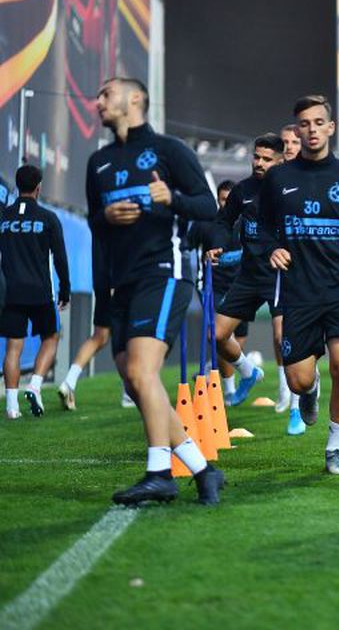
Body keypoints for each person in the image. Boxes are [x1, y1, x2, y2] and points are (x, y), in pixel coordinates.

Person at [86, 77, 223, 505]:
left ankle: (159, 473)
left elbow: (209, 207)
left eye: (106, 94)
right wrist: (106, 217)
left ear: (136, 98)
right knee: (134, 381)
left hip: (164, 272)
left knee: (143, 372)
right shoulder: (99, 162)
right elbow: (95, 226)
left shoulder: (169, 150)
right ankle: (204, 470)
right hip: (121, 282)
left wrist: (173, 198)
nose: (98, 101)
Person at [259, 94, 339, 475]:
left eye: (319, 123)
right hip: (298, 288)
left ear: (330, 128)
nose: (312, 130)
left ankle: (336, 448)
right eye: (305, 124)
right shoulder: (279, 178)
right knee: (298, 380)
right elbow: (260, 226)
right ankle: (309, 389)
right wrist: (271, 248)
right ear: (296, 131)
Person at [207, 135, 292, 427]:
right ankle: (248, 371)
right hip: (249, 274)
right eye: (257, 157)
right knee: (216, 335)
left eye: (267, 159)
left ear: (280, 161)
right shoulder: (242, 190)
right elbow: (223, 221)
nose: (259, 163)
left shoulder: (291, 189)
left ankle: (291, 399)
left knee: (282, 338)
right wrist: (218, 244)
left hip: (281, 274)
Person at [1, 165, 70, 419]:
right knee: (51, 337)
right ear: (39, 188)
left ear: (17, 186)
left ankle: (11, 407)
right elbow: (60, 257)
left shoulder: (3, 218)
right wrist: (65, 289)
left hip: (11, 293)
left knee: (13, 347)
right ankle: (35, 385)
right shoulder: (48, 218)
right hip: (40, 293)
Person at [186, 179, 255, 404]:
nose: (227, 204)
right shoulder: (205, 224)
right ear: (217, 199)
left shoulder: (247, 224)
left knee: (238, 340)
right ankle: (228, 390)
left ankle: (211, 371)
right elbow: (186, 247)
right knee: (220, 335)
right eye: (223, 199)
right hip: (211, 286)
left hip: (240, 287)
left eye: (230, 200)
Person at [57, 235, 113, 410]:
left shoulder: (100, 223)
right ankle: (130, 393)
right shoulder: (124, 222)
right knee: (131, 340)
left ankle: (69, 381)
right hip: (121, 283)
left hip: (103, 283)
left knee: (99, 337)